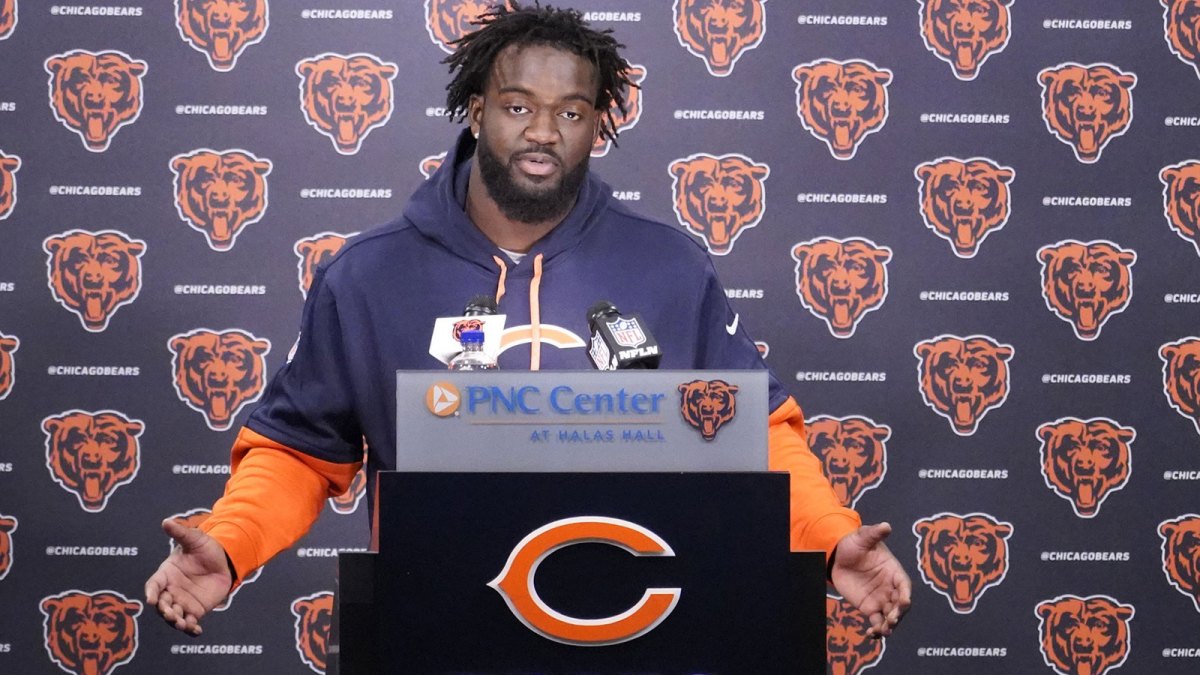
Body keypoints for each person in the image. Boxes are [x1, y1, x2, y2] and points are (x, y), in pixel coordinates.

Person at [145, 2, 911, 642]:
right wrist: (231, 544)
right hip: (435, 633)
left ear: (597, 127)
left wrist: (828, 538)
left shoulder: (669, 267)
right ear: (478, 112)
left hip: (639, 627)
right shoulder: (371, 275)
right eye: (518, 106)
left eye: (570, 112)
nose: (543, 131)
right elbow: (298, 451)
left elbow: (752, 433)